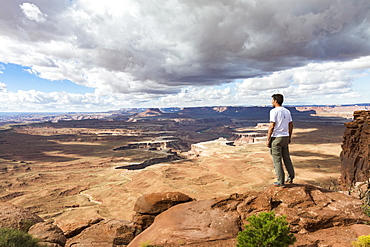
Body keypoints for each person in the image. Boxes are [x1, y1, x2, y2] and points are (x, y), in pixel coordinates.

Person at [266, 94, 295, 187]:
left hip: (277, 138)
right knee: (286, 157)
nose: (271, 102)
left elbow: (272, 126)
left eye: (272, 100)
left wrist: (268, 139)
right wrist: (289, 136)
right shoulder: (287, 111)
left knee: (277, 159)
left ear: (275, 101)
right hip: (285, 137)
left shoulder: (274, 111)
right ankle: (290, 177)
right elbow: (291, 125)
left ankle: (280, 181)